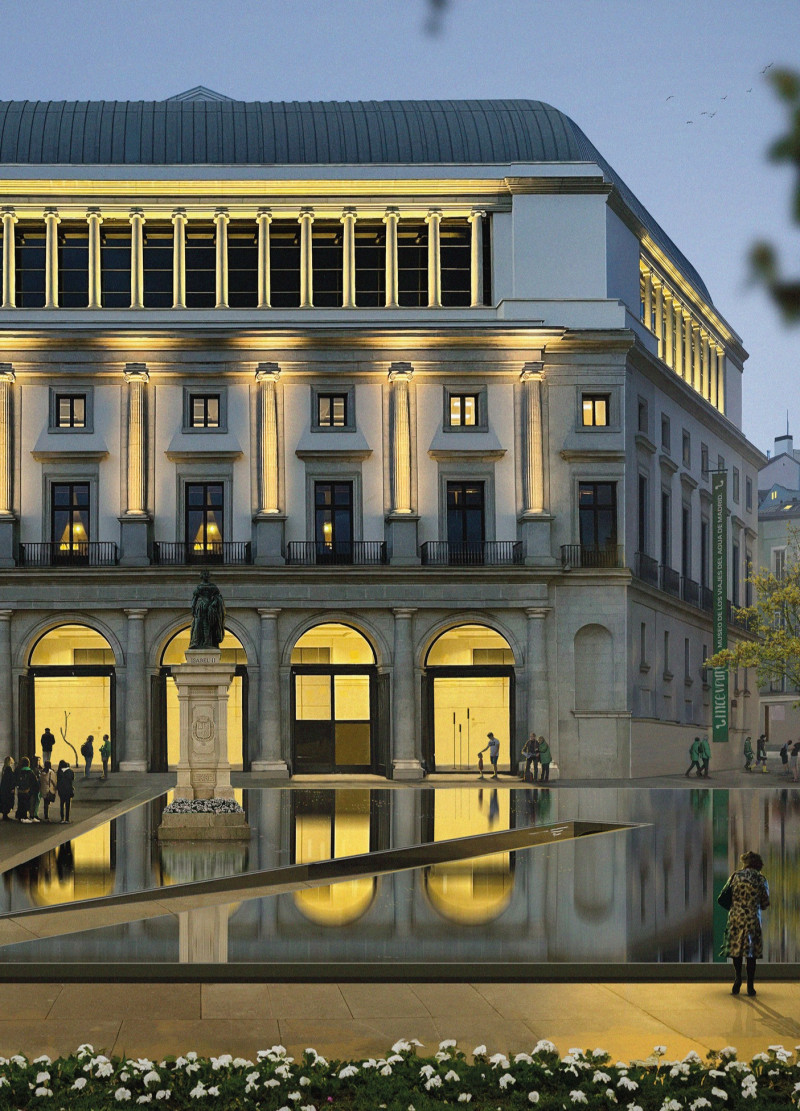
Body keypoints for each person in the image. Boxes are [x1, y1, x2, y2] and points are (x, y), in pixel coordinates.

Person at [719, 850, 770, 996]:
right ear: (758, 865)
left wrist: (734, 907)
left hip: (736, 918)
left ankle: (737, 978)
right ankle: (751, 986)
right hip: (752, 919)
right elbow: (765, 903)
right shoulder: (761, 879)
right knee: (751, 953)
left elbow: (722, 897)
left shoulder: (735, 876)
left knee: (736, 950)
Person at [14, 757, 37, 823]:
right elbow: (34, 782)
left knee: (21, 803)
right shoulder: (30, 772)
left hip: (20, 790)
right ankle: (24, 817)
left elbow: (15, 780)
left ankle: (20, 816)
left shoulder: (18, 770)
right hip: (27, 790)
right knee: (26, 804)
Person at [56, 759, 74, 823]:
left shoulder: (59, 772)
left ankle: (62, 818)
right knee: (67, 805)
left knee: (61, 804)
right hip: (68, 790)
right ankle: (67, 819)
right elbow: (72, 779)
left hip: (61, 790)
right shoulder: (70, 771)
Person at [29, 755, 43, 821]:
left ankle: (34, 814)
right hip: (35, 788)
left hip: (36, 787)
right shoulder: (35, 770)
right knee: (34, 801)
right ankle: (33, 815)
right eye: (38, 761)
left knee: (36, 801)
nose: (39, 762)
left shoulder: (35, 769)